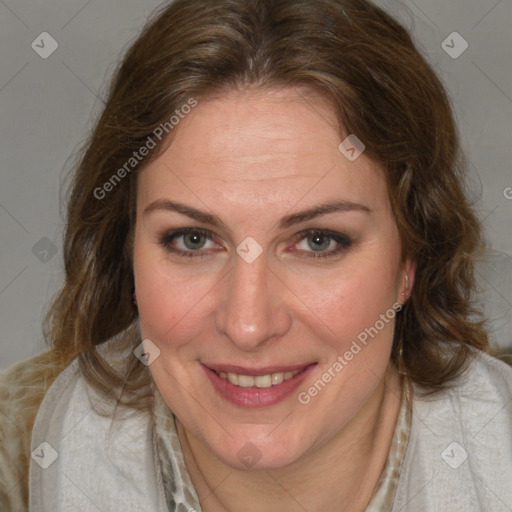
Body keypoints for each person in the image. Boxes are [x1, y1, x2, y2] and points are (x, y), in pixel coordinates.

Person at [1, 0, 511, 510]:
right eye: (193, 240)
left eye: (318, 241)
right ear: (125, 255)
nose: (248, 326)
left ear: (410, 262)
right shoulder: (17, 460)